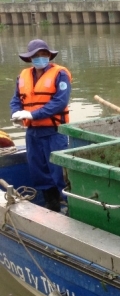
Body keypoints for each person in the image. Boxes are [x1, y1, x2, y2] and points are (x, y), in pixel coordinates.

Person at [10, 39, 71, 212]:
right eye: (36, 56)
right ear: (29, 58)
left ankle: (70, 205)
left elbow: (60, 102)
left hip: (54, 131)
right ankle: (51, 204)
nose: (40, 58)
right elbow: (16, 99)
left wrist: (33, 114)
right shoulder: (23, 76)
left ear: (49, 56)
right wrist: (16, 113)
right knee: (38, 170)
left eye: (44, 55)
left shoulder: (60, 74)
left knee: (58, 171)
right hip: (33, 132)